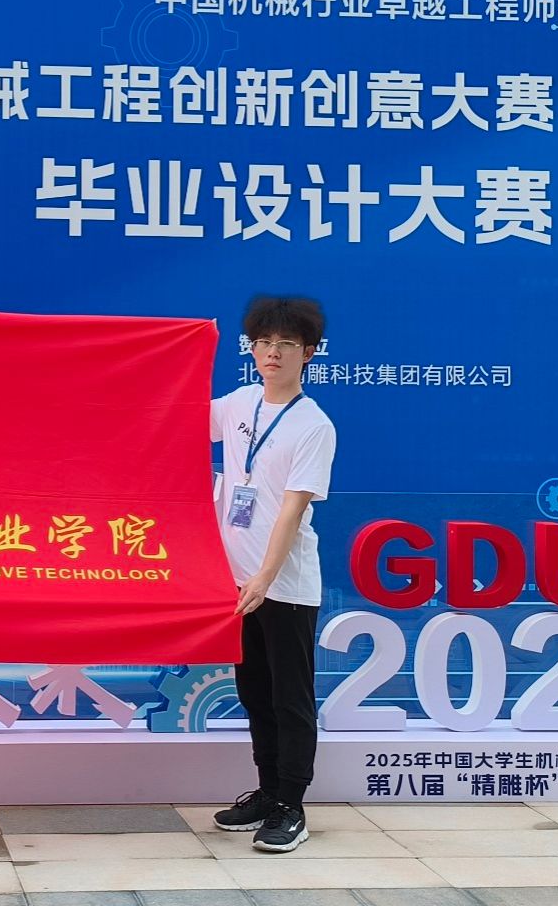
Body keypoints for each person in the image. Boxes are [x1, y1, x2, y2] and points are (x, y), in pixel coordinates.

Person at [209, 295, 336, 853]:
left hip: (283, 586)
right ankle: (266, 792)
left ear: (308, 353)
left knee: (290, 698)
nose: (273, 353)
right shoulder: (240, 403)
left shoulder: (313, 425)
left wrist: (264, 577)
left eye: (286, 344)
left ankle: (292, 805)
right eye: (263, 342)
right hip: (235, 583)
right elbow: (176, 414)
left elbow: (291, 509)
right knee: (255, 693)